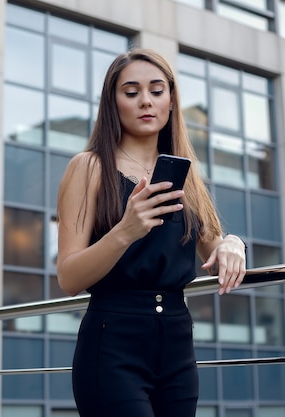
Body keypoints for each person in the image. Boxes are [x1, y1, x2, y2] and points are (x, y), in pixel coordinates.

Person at [56, 48, 247, 417]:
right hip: (113, 340)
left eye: (157, 91)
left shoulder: (184, 174)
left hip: (177, 342)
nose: (145, 101)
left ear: (171, 100)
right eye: (131, 92)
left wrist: (233, 244)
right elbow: (68, 277)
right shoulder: (89, 167)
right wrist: (125, 230)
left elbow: (213, 246)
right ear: (113, 102)